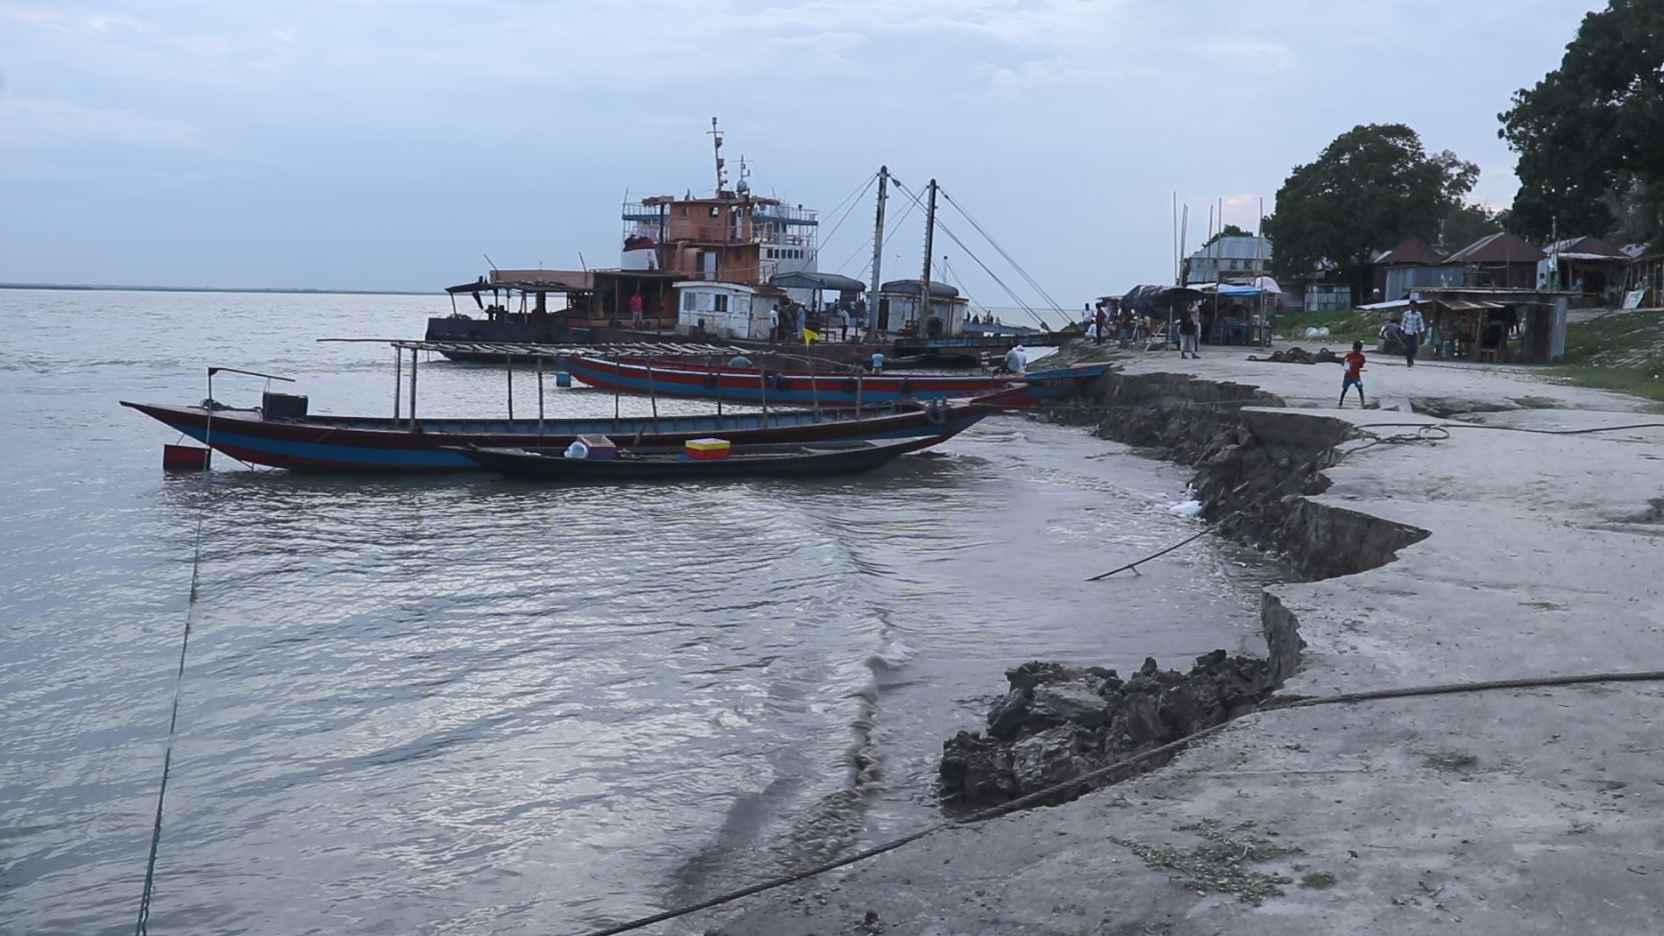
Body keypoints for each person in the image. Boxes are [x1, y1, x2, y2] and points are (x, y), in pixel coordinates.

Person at [1339, 340, 1366, 408]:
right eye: (1356, 349)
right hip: (1348, 376)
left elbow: (1361, 365)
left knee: (1360, 388)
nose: (1357, 350)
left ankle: (1363, 403)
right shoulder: (1350, 356)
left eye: (1358, 349)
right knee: (1345, 389)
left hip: (1356, 377)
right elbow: (1343, 363)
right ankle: (1340, 403)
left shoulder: (1361, 357)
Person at [1401, 299, 1426, 367]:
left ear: (1415, 306)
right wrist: (1402, 330)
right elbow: (1403, 323)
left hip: (1414, 333)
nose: (1412, 307)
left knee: (1414, 348)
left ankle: (1411, 359)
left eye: (1413, 305)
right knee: (1409, 347)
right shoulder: (1406, 314)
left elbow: (1421, 324)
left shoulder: (1418, 314)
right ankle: (1409, 361)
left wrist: (1422, 331)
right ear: (1409, 306)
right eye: (1411, 305)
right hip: (1407, 333)